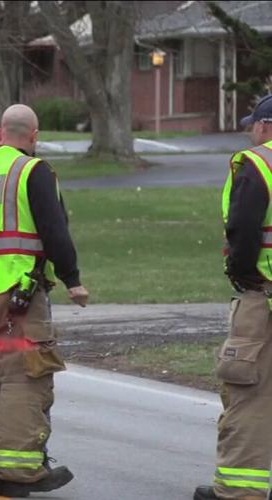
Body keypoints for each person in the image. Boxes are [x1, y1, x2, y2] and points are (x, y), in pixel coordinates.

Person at [0, 104, 88, 497]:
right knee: (23, 378)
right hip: (18, 296)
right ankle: (19, 470)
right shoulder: (33, 171)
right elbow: (54, 229)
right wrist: (72, 280)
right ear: (34, 136)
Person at [194, 94, 272, 500]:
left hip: (264, 296)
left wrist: (241, 275)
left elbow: (244, 228)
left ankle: (241, 488)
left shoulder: (258, 164)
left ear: (264, 126)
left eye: (252, 126)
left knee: (249, 392)